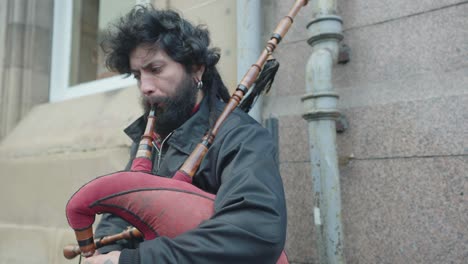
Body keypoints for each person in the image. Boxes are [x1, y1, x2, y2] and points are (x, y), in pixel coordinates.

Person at [84, 5, 287, 264]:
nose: (145, 87)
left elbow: (255, 233)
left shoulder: (241, 137)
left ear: (196, 69)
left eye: (155, 69)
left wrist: (130, 261)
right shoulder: (149, 138)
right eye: (137, 76)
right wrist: (103, 255)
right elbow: (122, 207)